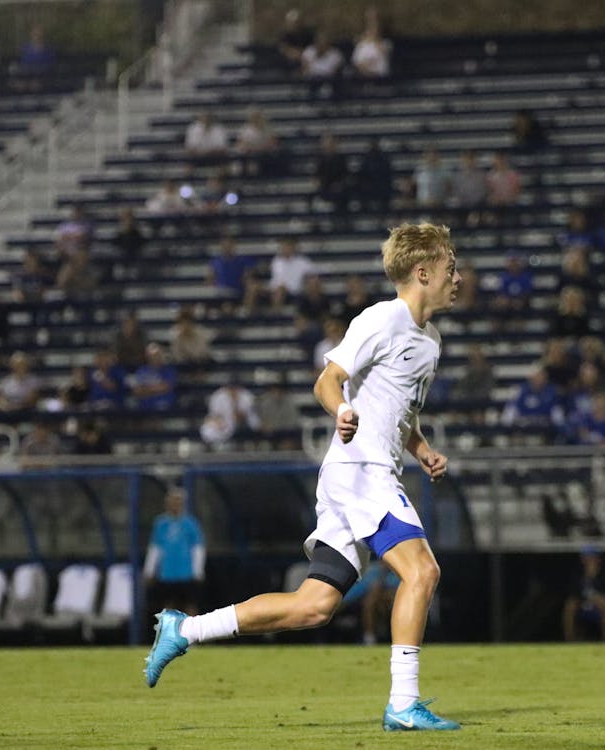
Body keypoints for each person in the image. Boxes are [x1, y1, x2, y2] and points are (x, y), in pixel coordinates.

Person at [145, 223, 462, 732]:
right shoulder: (382, 319)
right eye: (451, 267)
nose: (458, 277)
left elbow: (400, 411)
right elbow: (327, 380)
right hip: (360, 470)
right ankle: (404, 703)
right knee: (422, 572)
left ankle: (186, 628)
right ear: (422, 272)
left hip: (364, 472)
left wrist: (421, 449)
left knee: (313, 607)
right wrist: (340, 411)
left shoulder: (431, 341)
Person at [144, 487, 206, 616]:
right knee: (168, 605)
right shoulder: (161, 523)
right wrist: (149, 570)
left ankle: (192, 635)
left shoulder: (191, 523)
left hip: (186, 573)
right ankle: (171, 635)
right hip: (167, 573)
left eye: (178, 501)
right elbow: (155, 548)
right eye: (172, 501)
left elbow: (198, 548)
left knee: (190, 605)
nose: (175, 504)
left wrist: (198, 570)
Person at [562, 545, 605, 642]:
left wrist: (593, 578)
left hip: (600, 601)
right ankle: (570, 641)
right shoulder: (577, 573)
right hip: (583, 600)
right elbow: (574, 591)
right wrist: (588, 577)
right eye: (587, 557)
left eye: (592, 557)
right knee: (570, 605)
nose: (590, 560)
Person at [198, 376, 261, 449]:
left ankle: (242, 449)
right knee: (206, 429)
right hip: (222, 421)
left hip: (244, 422)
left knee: (242, 427)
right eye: (231, 387)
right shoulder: (218, 395)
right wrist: (219, 422)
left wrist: (235, 402)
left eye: (236, 387)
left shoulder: (246, 396)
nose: (233, 390)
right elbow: (214, 415)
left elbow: (242, 417)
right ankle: (210, 450)